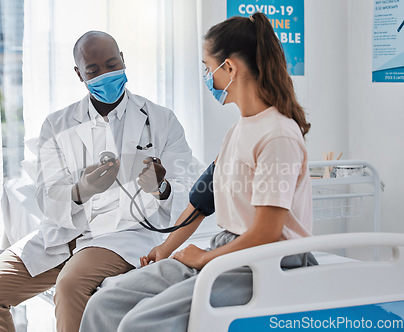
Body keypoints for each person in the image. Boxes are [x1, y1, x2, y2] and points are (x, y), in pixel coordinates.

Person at [79, 12, 317, 332]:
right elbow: (203, 198)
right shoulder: (240, 130)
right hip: (228, 250)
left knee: (139, 323)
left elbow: (267, 233)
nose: (207, 76)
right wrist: (165, 249)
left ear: (229, 68)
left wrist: (204, 258)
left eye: (208, 67)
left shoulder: (277, 135)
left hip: (268, 261)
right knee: (104, 303)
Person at [0, 31, 193, 332]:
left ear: (123, 60)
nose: (105, 74)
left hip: (120, 236)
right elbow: (47, 196)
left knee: (70, 285)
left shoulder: (161, 120)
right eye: (93, 70)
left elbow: (185, 194)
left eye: (112, 64)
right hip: (62, 236)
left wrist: (159, 188)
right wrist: (80, 190)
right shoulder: (57, 124)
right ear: (79, 74)